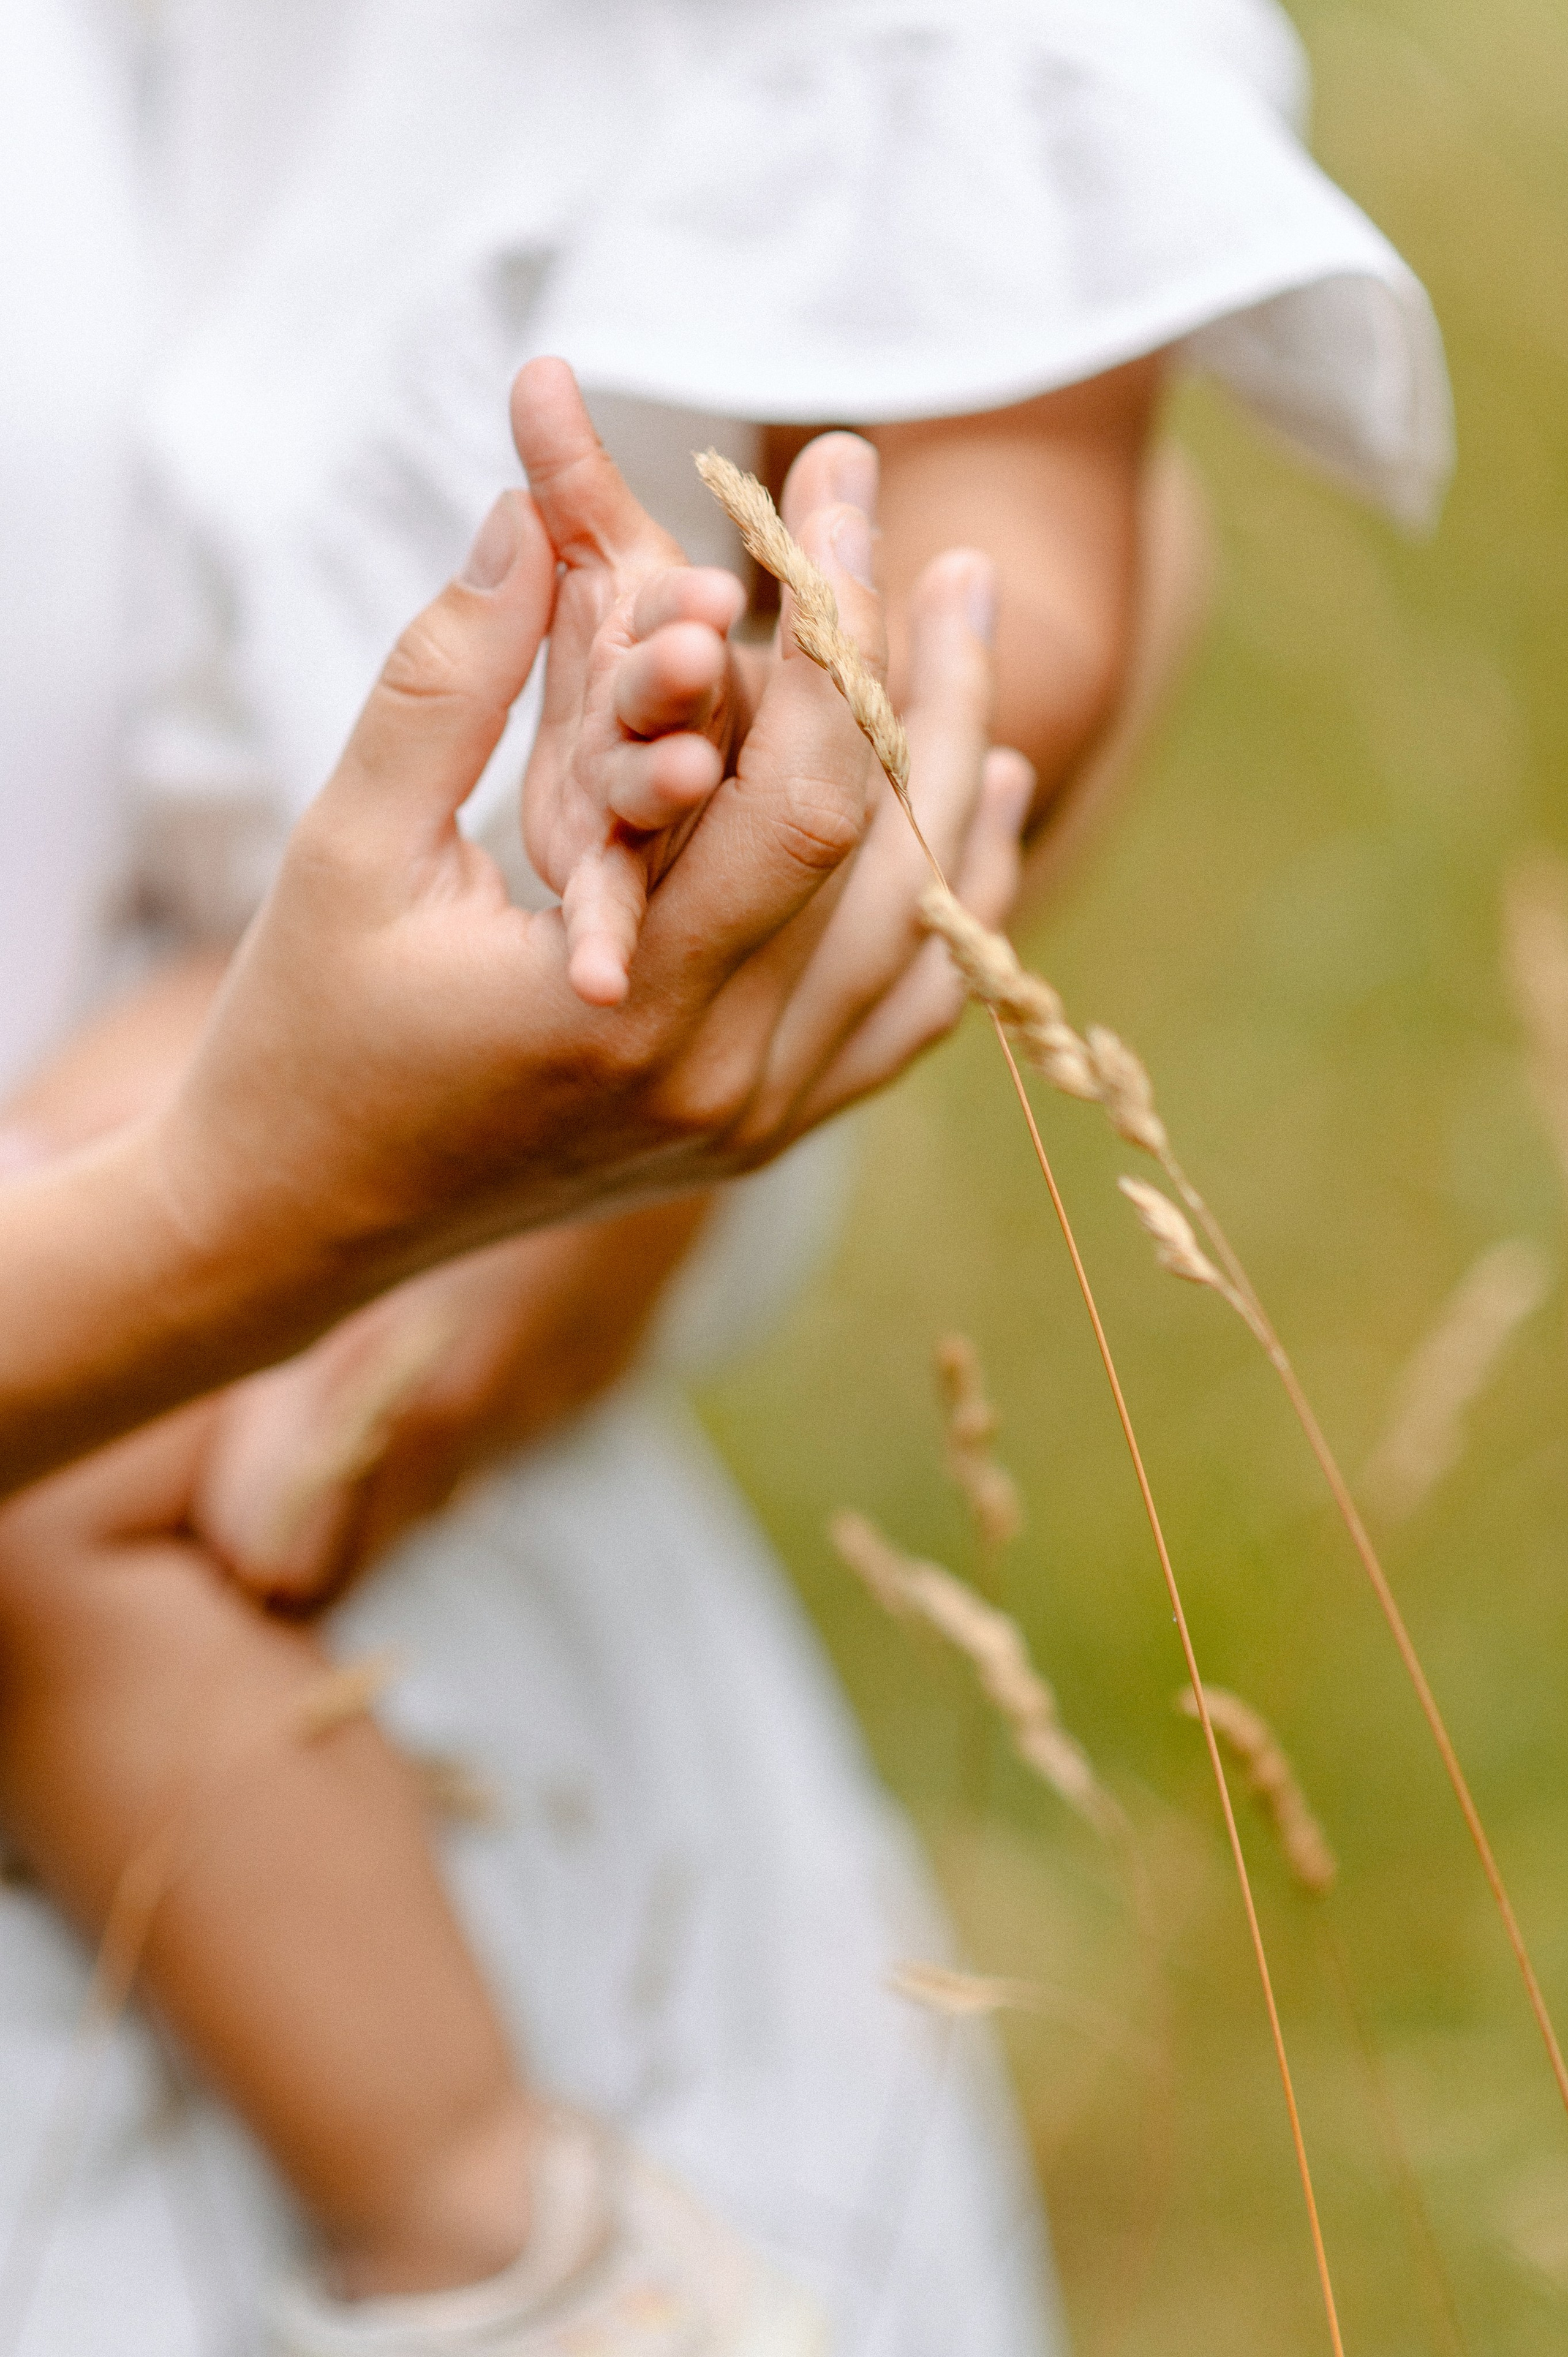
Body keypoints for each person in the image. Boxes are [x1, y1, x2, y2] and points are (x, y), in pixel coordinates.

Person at [0, 4, 1451, 2355]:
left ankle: (506, 2233)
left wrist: (787, 750)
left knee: (152, 1505)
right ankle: (493, 2225)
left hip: (415, 952)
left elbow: (1048, 522)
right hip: (260, 1024)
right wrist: (261, 1209)